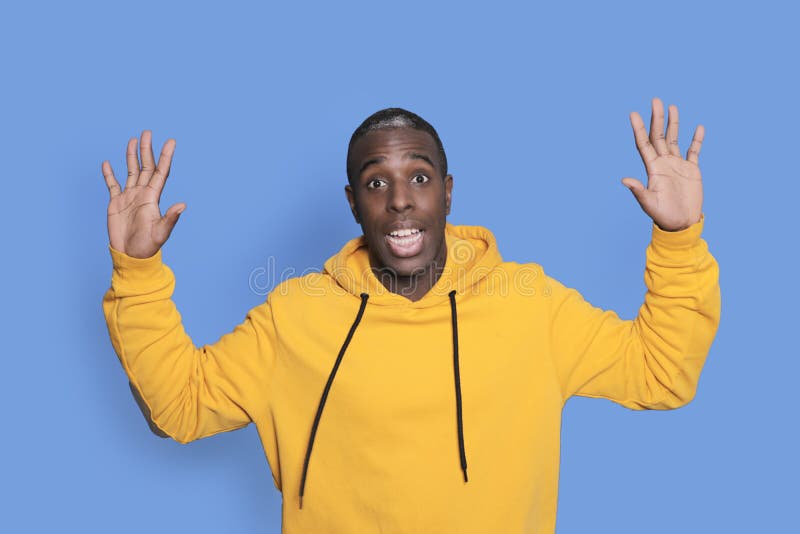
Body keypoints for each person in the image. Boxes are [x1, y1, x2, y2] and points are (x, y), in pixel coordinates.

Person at [101, 99, 720, 533]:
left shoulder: (532, 305)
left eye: (419, 177)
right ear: (353, 203)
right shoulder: (295, 316)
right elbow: (180, 406)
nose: (400, 200)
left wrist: (679, 238)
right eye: (377, 183)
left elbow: (660, 373)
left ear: (447, 192)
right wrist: (138, 272)